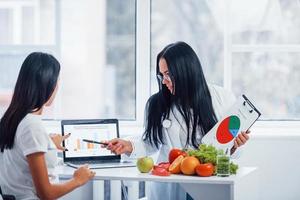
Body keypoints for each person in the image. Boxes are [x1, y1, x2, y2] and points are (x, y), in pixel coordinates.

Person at [104, 41, 250, 200]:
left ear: (186, 72)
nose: (163, 81)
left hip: (208, 184)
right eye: (161, 75)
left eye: (168, 74)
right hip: (171, 187)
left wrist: (236, 146)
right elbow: (150, 144)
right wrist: (129, 146)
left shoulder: (222, 97)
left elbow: (230, 150)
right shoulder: (156, 104)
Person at [0, 52, 95, 200]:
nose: (57, 87)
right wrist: (78, 180)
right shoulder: (32, 126)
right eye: (56, 82)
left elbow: (20, 157)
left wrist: (49, 144)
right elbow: (46, 194)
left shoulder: (11, 118)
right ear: (47, 85)